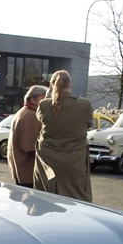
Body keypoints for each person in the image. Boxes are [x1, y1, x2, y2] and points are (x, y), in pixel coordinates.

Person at [34, 70, 94, 201]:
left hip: (48, 159)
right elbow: (89, 124)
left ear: (52, 86)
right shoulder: (84, 105)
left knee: (45, 198)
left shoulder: (44, 105)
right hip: (75, 160)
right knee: (76, 198)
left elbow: (41, 120)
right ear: (69, 85)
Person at [7, 85, 46, 188]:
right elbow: (31, 148)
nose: (46, 102)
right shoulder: (31, 116)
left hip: (21, 168)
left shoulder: (23, 112)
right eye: (43, 99)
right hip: (28, 170)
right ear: (33, 100)